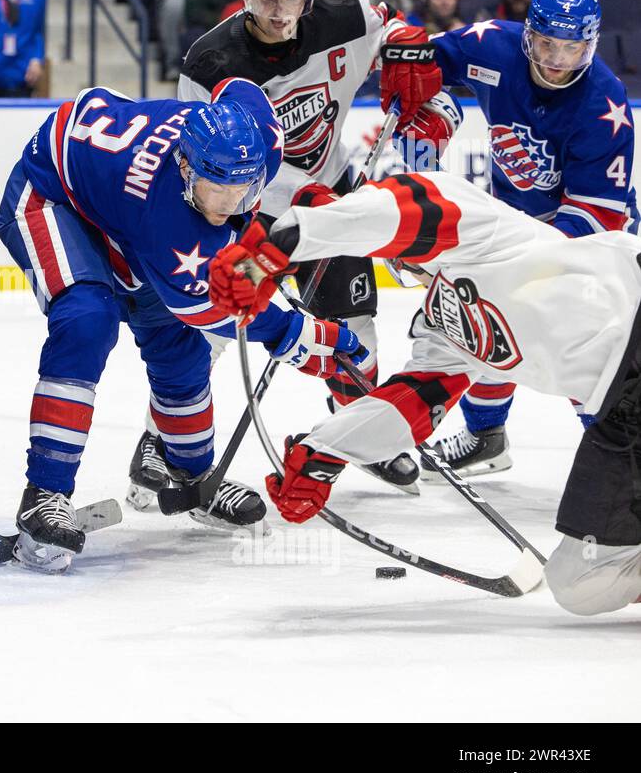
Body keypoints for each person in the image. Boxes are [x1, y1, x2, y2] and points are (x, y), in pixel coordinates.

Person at [208, 166, 641, 617]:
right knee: (579, 583)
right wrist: (324, 454)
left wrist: (268, 253)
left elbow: (400, 205)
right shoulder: (443, 322)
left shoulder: (483, 228)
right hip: (621, 415)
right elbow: (416, 400)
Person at [0, 81, 365, 571]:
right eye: (219, 188)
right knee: (89, 320)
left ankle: (191, 478)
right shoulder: (167, 219)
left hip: (117, 200)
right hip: (52, 196)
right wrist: (298, 336)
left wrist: (297, 209)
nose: (232, 202)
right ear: (186, 166)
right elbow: (213, 306)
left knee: (180, 354)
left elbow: (240, 88)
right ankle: (44, 494)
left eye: (245, 188)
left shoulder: (259, 138)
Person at [169, 0, 441, 502]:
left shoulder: (346, 13)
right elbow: (197, 161)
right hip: (253, 215)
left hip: (333, 203)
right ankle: (162, 441)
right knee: (212, 328)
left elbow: (393, 34)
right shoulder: (211, 62)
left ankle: (362, 437)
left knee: (355, 328)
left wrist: (406, 47)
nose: (275, 12)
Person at [386, 0, 637, 478]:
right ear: (528, 33)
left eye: (570, 48)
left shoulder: (604, 106)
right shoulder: (494, 47)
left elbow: (596, 216)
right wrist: (408, 80)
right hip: (516, 219)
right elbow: (425, 61)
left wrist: (514, 266)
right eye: (546, 43)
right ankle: (485, 435)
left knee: (572, 343)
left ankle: (623, 461)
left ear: (589, 44)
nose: (555, 60)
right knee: (485, 321)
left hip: (592, 243)